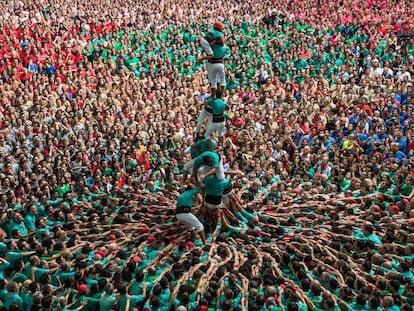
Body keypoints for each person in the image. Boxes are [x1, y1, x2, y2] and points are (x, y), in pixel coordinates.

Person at [199, 21, 227, 98]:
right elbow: (221, 41)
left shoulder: (213, 46)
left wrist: (201, 59)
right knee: (221, 80)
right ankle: (222, 95)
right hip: (220, 64)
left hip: (212, 64)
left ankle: (213, 95)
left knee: (213, 81)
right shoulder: (223, 47)